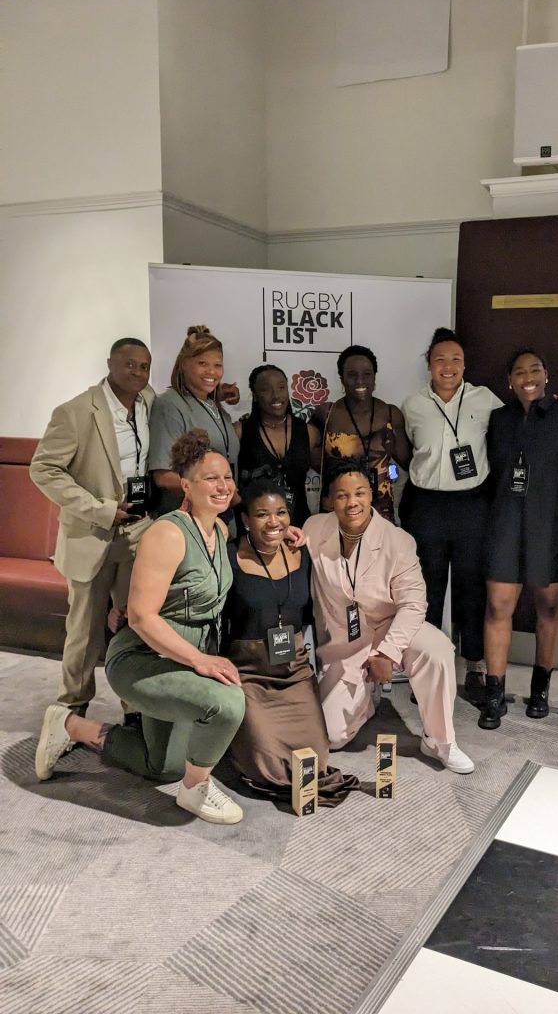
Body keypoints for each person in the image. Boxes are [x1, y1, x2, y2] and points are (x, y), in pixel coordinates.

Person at [35, 430, 247, 824]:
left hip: (182, 659)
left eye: (227, 477)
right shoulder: (167, 532)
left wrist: (288, 536)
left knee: (161, 766)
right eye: (211, 478)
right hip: (143, 658)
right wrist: (200, 660)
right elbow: (141, 616)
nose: (222, 486)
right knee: (228, 703)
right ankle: (196, 790)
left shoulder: (219, 530)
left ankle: (70, 725)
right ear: (186, 484)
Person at [304, 458, 474, 774]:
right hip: (345, 641)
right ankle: (366, 697)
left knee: (436, 650)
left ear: (372, 494)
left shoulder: (398, 540)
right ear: (329, 499)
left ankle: (439, 740)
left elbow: (413, 605)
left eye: (359, 493)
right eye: (341, 495)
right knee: (334, 736)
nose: (351, 502)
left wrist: (387, 652)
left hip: (389, 628)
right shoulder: (314, 529)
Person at [29, 338, 154, 719]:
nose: (137, 372)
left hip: (137, 532)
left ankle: (134, 712)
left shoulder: (148, 400)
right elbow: (43, 469)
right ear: (110, 364)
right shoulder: (77, 411)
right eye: (129, 364)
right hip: (92, 534)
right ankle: (71, 710)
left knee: (136, 624)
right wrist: (100, 510)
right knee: (84, 633)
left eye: (144, 366)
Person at [223, 478, 358, 803]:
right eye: (262, 515)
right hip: (249, 674)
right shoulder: (230, 557)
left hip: (295, 670)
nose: (274, 522)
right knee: (264, 760)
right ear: (245, 520)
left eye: (281, 512)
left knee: (316, 755)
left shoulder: (303, 552)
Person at [480, 349, 558, 730]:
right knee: (498, 607)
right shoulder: (497, 419)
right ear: (509, 380)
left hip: (550, 527)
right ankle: (494, 693)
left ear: (547, 374)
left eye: (535, 370)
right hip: (505, 525)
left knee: (548, 609)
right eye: (518, 372)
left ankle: (540, 688)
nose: (527, 377)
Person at [400, 328, 503, 686]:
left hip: (472, 505)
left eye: (455, 359)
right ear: (429, 365)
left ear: (465, 364)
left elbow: (515, 429)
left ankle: (473, 666)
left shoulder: (485, 400)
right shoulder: (412, 406)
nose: (448, 367)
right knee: (426, 590)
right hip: (426, 505)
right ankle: (427, 670)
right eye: (440, 360)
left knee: (470, 587)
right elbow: (403, 455)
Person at [313, 345, 411, 523]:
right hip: (337, 511)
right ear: (342, 379)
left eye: (367, 374)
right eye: (352, 374)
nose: (360, 381)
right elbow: (307, 457)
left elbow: (409, 462)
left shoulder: (391, 414)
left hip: (380, 513)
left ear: (374, 377)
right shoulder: (326, 414)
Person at [149, 326, 240, 515]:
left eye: (218, 365)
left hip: (222, 522)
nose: (212, 372)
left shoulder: (215, 407)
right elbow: (164, 477)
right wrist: (216, 490)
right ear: (183, 364)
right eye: (202, 363)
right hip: (189, 522)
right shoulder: (170, 405)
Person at [238, 364, 321, 525]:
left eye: (281, 387)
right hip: (257, 528)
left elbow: (328, 472)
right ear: (254, 395)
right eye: (266, 389)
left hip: (300, 525)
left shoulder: (309, 432)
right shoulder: (241, 432)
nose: (276, 396)